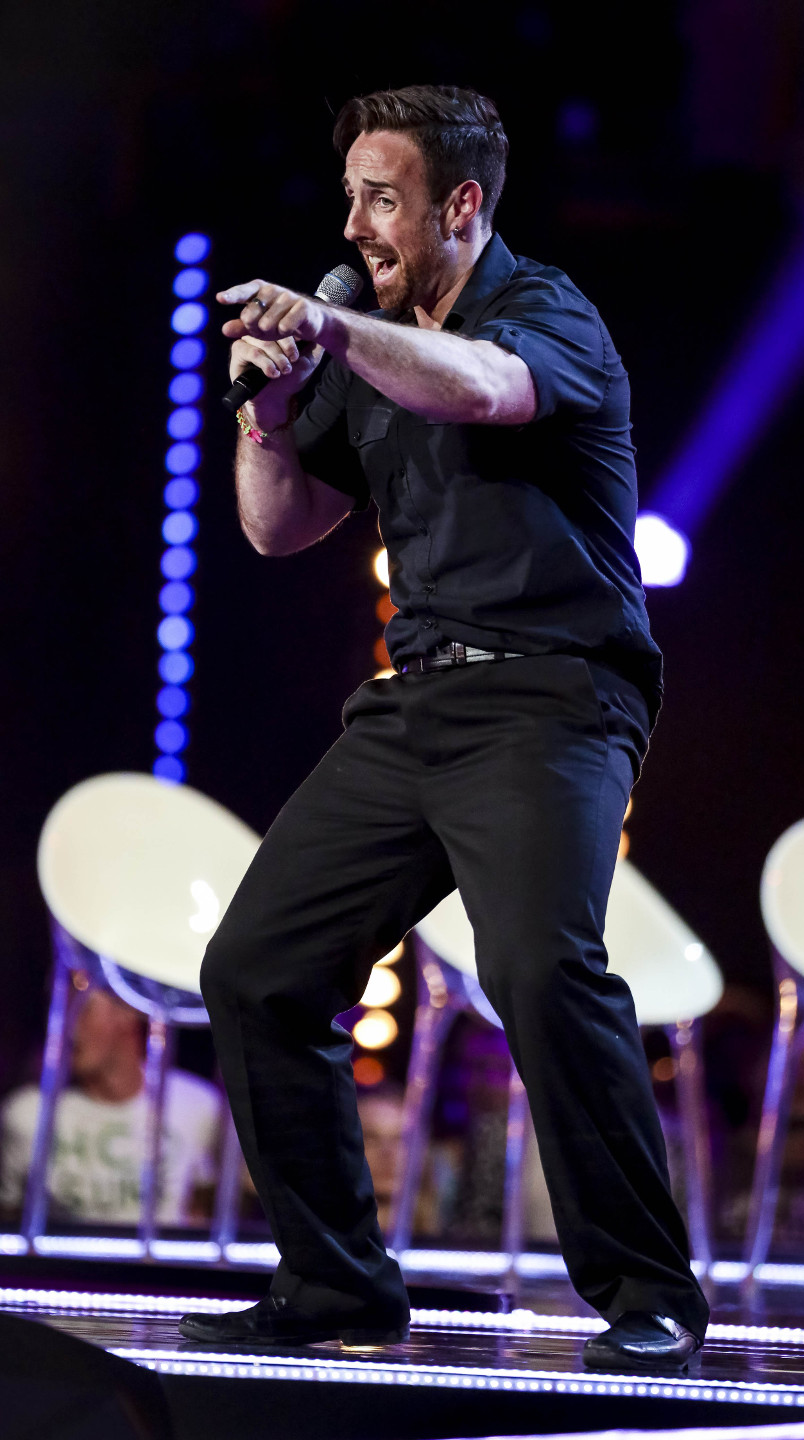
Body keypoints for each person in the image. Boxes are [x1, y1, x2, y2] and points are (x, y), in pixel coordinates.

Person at [179, 84, 709, 1371]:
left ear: (461, 205)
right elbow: (276, 526)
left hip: (553, 696)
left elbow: (483, 390)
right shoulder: (367, 344)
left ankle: (647, 1294)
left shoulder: (542, 311)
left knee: (537, 967)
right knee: (256, 971)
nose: (355, 225)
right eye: (350, 195)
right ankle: (336, 1285)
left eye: (383, 198)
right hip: (415, 701)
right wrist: (265, 410)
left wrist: (334, 332)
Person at [0, 986, 221, 1226]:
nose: (67, 1028)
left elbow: (205, 1214)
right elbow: (9, 1223)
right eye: (59, 1011)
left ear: (127, 1011)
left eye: (82, 1009)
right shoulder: (28, 1114)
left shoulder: (198, 1106)